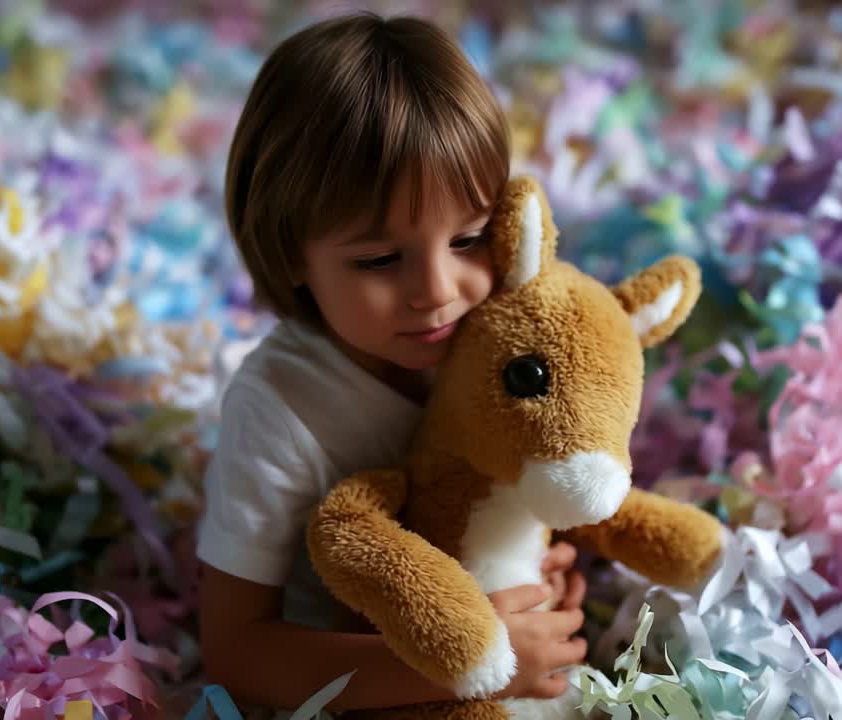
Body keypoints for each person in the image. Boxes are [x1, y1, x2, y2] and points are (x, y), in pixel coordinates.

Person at [198, 12, 588, 715]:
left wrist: (539, 572)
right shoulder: (279, 407)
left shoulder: (491, 333)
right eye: (379, 259)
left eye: (468, 239)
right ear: (292, 256)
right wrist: (469, 666)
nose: (438, 292)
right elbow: (235, 651)